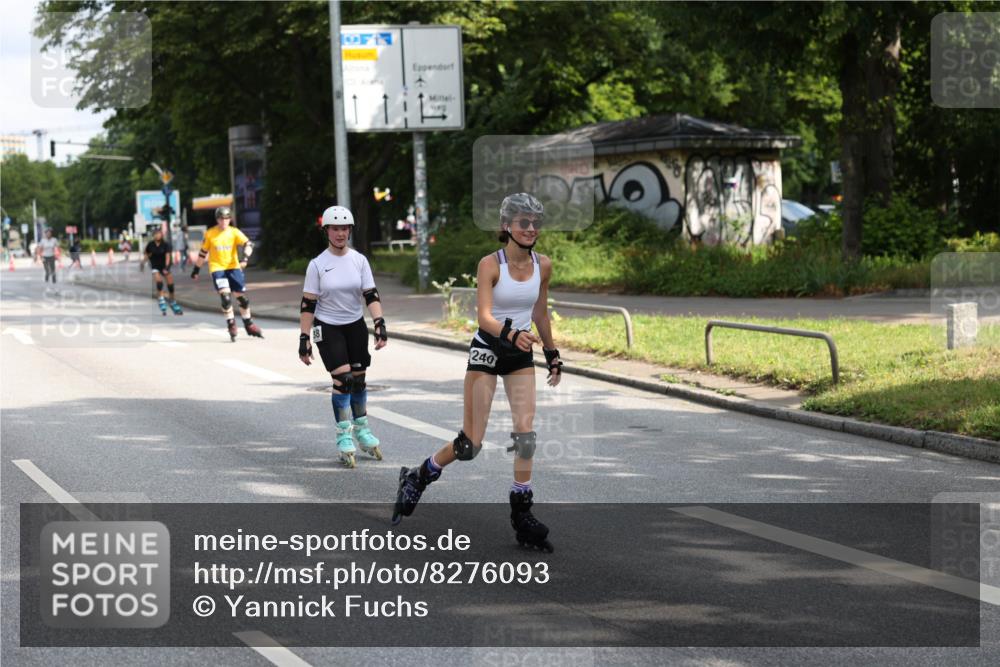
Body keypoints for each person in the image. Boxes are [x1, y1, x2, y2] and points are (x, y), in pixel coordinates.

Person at [392, 193, 563, 552]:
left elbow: (540, 313)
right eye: (523, 222)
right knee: (470, 444)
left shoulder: (543, 265)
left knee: (526, 434)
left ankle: (522, 512)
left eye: (536, 223)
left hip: (519, 353)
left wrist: (551, 352)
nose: (531, 229)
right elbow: (484, 317)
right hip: (488, 348)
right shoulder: (490, 264)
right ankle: (419, 476)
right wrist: (511, 334)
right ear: (506, 226)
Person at [298, 206, 387, 468]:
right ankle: (343, 435)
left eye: (344, 228)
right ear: (326, 231)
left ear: (350, 231)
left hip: (355, 325)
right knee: (343, 380)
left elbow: (370, 294)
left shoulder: (359, 260)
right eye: (335, 229)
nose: (340, 233)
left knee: (359, 380)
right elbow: (308, 304)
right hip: (328, 327)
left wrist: (379, 323)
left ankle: (363, 429)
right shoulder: (317, 265)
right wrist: (304, 338)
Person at [190, 206, 262, 341]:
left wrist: (245, 258)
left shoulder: (234, 232)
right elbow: (203, 253)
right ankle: (231, 324)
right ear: (217, 220)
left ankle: (249, 324)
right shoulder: (210, 234)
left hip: (233, 267)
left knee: (242, 299)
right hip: (217, 268)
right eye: (221, 219)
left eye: (226, 219)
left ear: (230, 219)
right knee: (226, 298)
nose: (223, 221)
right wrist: (196, 270)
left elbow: (249, 244)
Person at [145, 228, 182, 316]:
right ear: (153, 235)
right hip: (155, 266)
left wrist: (166, 268)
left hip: (164, 266)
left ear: (161, 235)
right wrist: (143, 262)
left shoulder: (166, 245)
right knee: (159, 283)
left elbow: (168, 257)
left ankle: (172, 301)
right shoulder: (150, 245)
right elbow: (147, 254)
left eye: (159, 234)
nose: (157, 235)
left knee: (170, 286)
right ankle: (161, 299)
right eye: (155, 234)